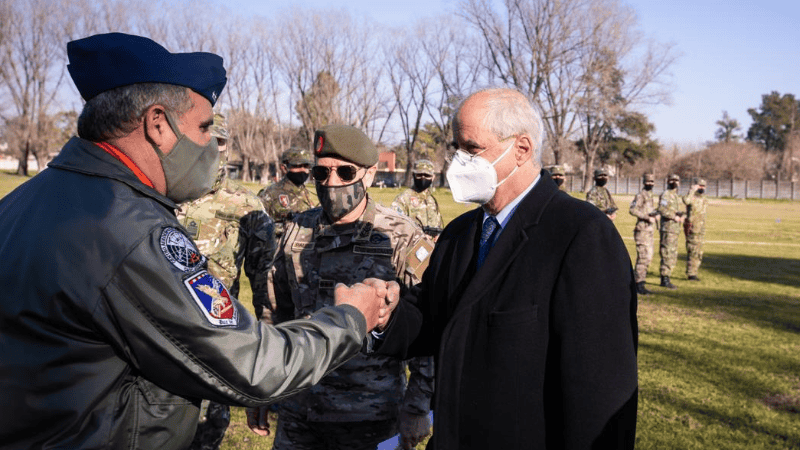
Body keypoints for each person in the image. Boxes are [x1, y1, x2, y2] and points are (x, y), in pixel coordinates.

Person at [0, 32, 392, 450]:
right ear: (157, 125)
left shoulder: (22, 201)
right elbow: (253, 366)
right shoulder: (129, 228)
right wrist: (351, 318)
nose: (211, 147)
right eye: (205, 129)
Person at [361, 88, 638, 449]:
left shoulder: (580, 234)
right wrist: (385, 315)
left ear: (521, 149)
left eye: (471, 149)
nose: (457, 161)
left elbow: (601, 390)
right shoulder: (459, 234)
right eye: (456, 148)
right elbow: (430, 319)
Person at [255, 124, 435, 450]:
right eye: (321, 173)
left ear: (369, 175)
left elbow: (428, 326)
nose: (331, 183)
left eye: (345, 172)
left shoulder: (401, 235)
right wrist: (263, 387)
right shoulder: (297, 229)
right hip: (300, 411)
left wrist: (417, 405)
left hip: (371, 416)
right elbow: (274, 311)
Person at [177, 113, 276, 450]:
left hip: (216, 342)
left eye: (218, 142)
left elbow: (266, 289)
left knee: (207, 431)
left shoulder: (246, 206)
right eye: (203, 140)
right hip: (157, 336)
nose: (211, 149)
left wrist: (264, 367)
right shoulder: (162, 192)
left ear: (227, 147)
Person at [257, 147, 319, 240]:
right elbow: (257, 227)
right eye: (297, 166)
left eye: (306, 166)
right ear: (284, 167)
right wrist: (289, 228)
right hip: (279, 250)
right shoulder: (269, 194)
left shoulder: (305, 192)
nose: (303, 170)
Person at [391, 159, 444, 239]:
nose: (423, 178)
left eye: (427, 176)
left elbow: (438, 226)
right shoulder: (403, 199)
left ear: (433, 177)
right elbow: (394, 227)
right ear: (413, 175)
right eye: (419, 175)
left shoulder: (432, 200)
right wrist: (418, 236)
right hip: (410, 248)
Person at [629, 173, 659, 295]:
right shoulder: (640, 195)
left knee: (648, 257)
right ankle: (638, 284)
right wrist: (647, 217)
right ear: (644, 182)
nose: (650, 184)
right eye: (648, 182)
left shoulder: (651, 195)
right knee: (643, 257)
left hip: (649, 231)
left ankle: (641, 281)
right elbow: (632, 209)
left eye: (652, 182)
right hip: (642, 230)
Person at [657, 173, 685, 289]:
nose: (674, 182)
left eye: (676, 180)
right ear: (668, 181)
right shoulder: (666, 195)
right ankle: (665, 278)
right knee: (667, 253)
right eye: (672, 180)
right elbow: (662, 209)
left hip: (675, 229)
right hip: (668, 228)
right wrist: (674, 217)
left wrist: (681, 216)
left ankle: (668, 276)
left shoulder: (676, 196)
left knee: (672, 253)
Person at [683, 177, 708, 281]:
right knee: (692, 251)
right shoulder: (691, 197)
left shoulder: (704, 199)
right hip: (692, 228)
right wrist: (691, 190)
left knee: (698, 252)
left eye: (703, 186)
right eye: (699, 185)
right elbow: (686, 201)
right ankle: (691, 273)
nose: (701, 188)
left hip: (700, 228)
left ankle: (694, 272)